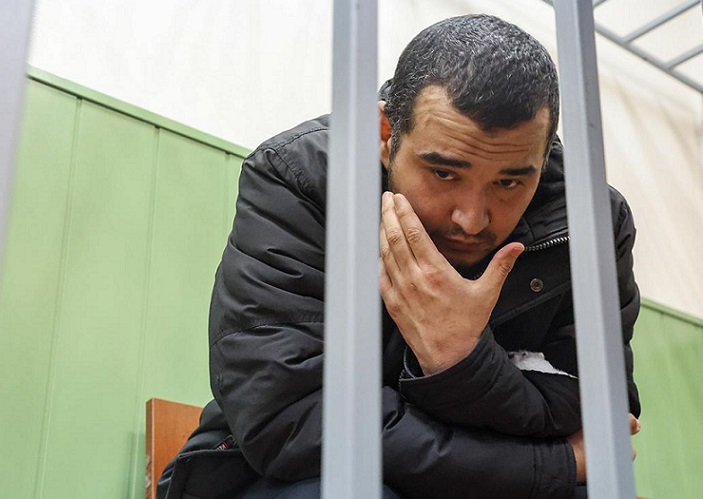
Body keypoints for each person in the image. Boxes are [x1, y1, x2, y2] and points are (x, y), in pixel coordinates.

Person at [158, 14, 641, 499]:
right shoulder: (303, 177)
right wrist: (549, 463)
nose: (472, 219)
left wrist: (460, 359)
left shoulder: (592, 221)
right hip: (281, 478)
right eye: (444, 174)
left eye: (510, 182)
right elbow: (290, 418)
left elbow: (601, 415)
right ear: (385, 134)